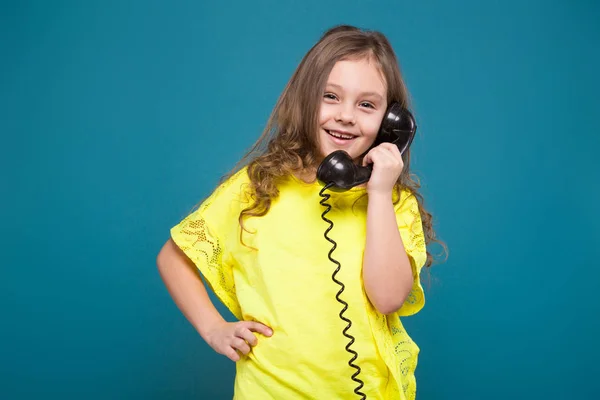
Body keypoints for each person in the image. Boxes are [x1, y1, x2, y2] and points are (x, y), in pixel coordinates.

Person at [157, 24, 445, 400]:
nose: (346, 116)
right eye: (330, 96)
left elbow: (388, 298)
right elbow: (174, 256)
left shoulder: (392, 203)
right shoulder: (258, 186)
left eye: (366, 105)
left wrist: (378, 191)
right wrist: (213, 328)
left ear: (392, 123)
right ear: (305, 100)